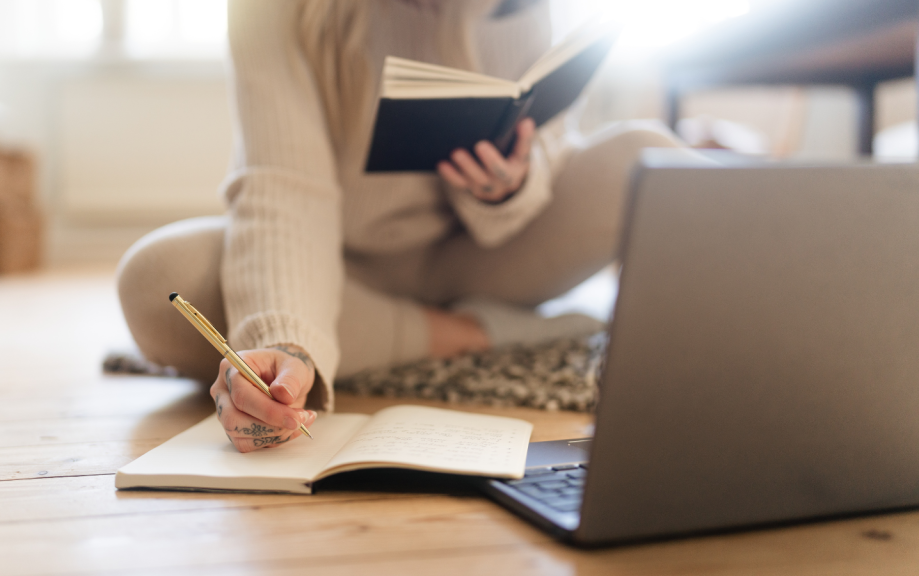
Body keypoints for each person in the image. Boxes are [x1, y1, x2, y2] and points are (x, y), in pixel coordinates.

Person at [117, 0, 682, 453]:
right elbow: (283, 185)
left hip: (478, 256)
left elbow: (552, 144)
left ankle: (411, 330)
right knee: (157, 278)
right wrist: (287, 344)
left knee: (650, 158)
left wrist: (510, 185)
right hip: (337, 275)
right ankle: (469, 333)